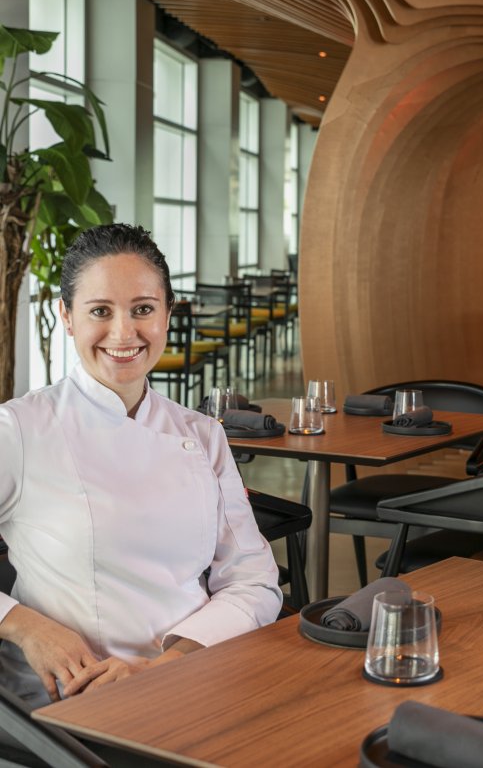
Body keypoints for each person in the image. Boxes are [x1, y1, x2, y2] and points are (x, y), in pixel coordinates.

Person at [0, 224, 282, 706]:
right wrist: (25, 626)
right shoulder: (20, 429)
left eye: (143, 310)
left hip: (191, 678)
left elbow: (252, 580)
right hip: (71, 700)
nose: (124, 333)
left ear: (168, 315)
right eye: (100, 311)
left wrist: (167, 666)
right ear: (67, 316)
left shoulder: (202, 435)